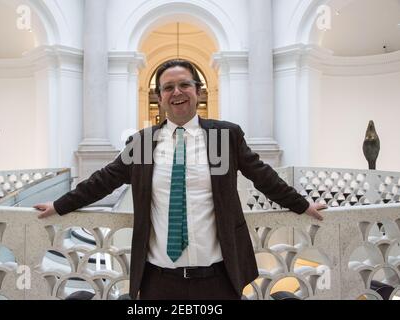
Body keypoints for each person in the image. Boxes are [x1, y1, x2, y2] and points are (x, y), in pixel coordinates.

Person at [34, 59, 326, 300]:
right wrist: (59, 205)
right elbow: (103, 180)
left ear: (198, 92)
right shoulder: (142, 143)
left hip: (219, 277)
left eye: (185, 84)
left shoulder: (225, 137)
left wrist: (301, 204)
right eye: (168, 87)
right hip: (158, 281)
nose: (177, 92)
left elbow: (263, 176)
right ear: (159, 97)